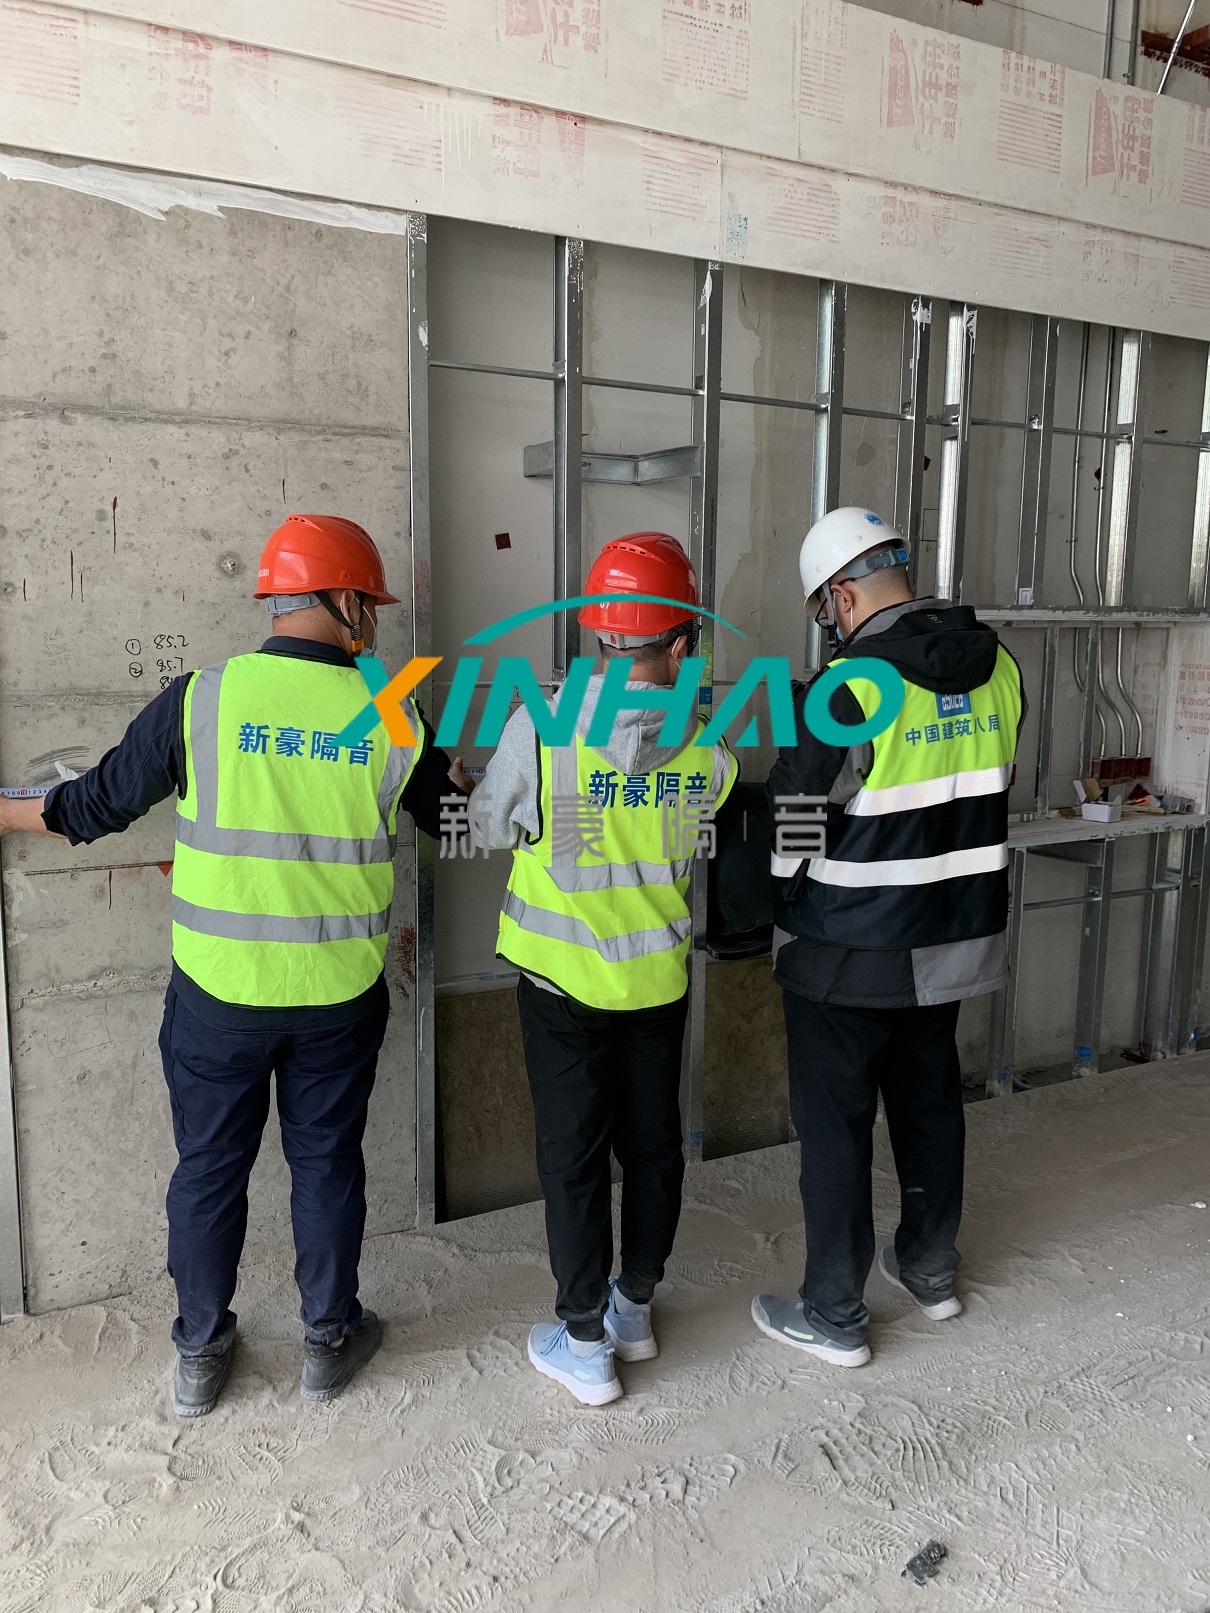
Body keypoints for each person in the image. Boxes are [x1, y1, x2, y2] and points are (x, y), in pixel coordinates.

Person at [0, 515, 464, 1416]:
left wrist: (10, 812)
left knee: (209, 1167)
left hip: (219, 999)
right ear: (343, 599)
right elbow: (449, 820)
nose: (374, 620)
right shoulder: (391, 707)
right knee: (326, 1163)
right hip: (336, 995)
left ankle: (201, 1353)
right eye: (369, 602)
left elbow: (93, 806)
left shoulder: (202, 698)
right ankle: (328, 1339)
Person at [751, 507, 1024, 1368]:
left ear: (840, 595)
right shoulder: (1001, 667)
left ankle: (834, 1312)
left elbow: (793, 821)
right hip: (952, 940)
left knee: (836, 1126)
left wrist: (781, 893)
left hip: (847, 951)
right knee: (929, 1102)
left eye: (824, 609)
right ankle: (930, 1269)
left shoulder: (848, 688)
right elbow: (990, 782)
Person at [472, 533, 737, 1404]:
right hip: (655, 985)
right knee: (654, 1147)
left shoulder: (542, 729)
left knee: (573, 1156)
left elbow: (488, 823)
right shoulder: (707, 747)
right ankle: (634, 1307)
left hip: (561, 989)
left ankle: (584, 1341)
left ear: (598, 634)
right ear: (682, 644)